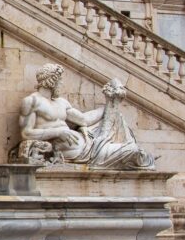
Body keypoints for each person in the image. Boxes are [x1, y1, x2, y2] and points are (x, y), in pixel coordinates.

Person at [17, 63, 154, 170]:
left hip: (90, 145)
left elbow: (84, 119)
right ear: (52, 81)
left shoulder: (61, 102)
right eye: (60, 81)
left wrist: (110, 104)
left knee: (132, 147)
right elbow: (26, 133)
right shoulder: (32, 101)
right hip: (78, 153)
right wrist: (58, 132)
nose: (62, 84)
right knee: (135, 153)